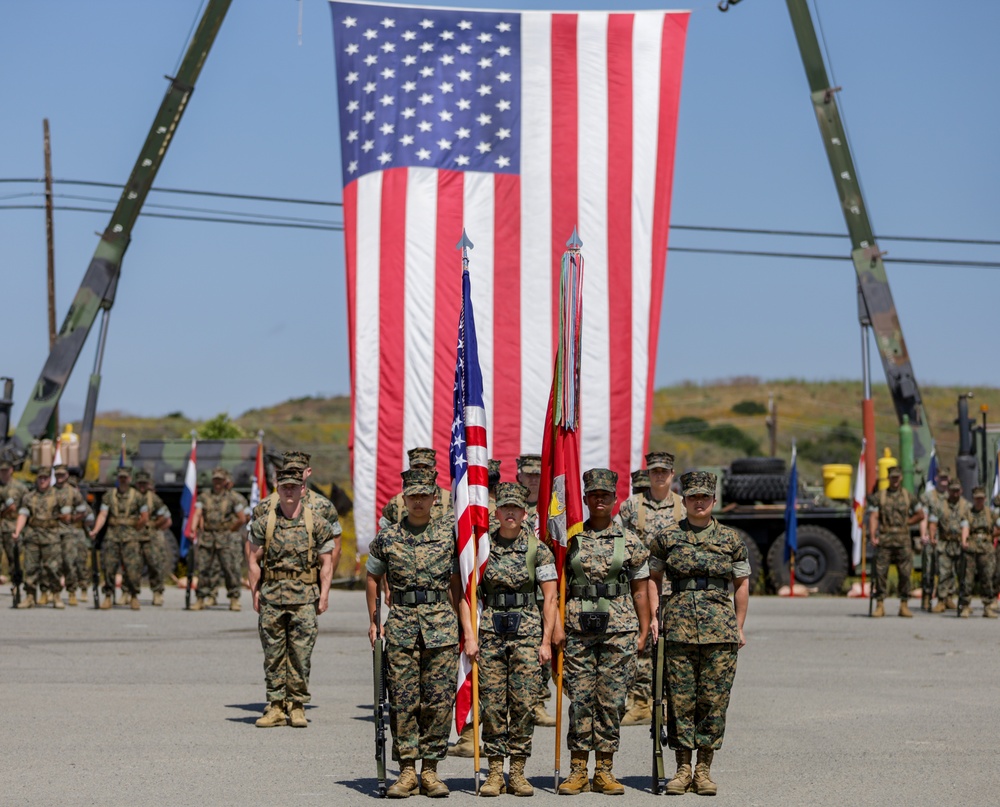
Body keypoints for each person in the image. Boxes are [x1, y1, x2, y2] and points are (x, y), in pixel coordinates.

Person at [648, 471, 750, 797]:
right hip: (678, 629)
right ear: (685, 499)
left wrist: (739, 625)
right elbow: (653, 578)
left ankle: (704, 770)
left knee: (714, 700)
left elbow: (742, 584)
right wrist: (653, 617)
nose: (699, 502)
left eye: (705, 497)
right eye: (693, 497)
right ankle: (682, 768)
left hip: (720, 630)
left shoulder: (731, 540)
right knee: (679, 701)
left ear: (714, 500)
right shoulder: (667, 538)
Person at [366, 467, 465, 798]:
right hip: (402, 627)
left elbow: (457, 586)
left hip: (441, 628)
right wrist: (374, 620)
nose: (418, 501)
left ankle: (431, 772)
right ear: (403, 499)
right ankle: (407, 770)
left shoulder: (449, 538)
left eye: (424, 495)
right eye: (413, 496)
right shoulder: (387, 538)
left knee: (438, 703)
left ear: (435, 499)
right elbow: (372, 578)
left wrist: (465, 627)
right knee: (403, 702)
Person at [463, 482, 560, 797]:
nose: (509, 513)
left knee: (522, 704)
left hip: (527, 635)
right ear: (497, 510)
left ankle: (517, 771)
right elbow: (468, 593)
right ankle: (493, 773)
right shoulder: (482, 548)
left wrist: (546, 642)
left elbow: (549, 598)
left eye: (515, 508)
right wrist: (470, 635)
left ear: (524, 512)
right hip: (490, 634)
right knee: (491, 704)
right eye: (504, 507)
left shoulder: (537, 548)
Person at [558, 468, 650, 796]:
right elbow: (556, 587)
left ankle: (604, 770)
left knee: (611, 701)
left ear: (614, 499)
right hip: (578, 629)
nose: (599, 499)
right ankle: (578, 770)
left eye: (606, 495)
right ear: (584, 499)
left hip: (619, 630)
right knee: (580, 700)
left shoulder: (630, 540)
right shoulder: (569, 539)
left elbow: (640, 588)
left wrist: (643, 628)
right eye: (594, 494)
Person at [248, 464, 339, 728]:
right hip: (272, 599)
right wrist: (255, 592)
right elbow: (253, 560)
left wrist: (324, 595)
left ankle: (297, 706)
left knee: (301, 654)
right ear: (278, 488)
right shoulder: (265, 522)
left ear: (302, 489)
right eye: (284, 486)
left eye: (293, 486)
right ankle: (276, 706)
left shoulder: (317, 523)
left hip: (304, 600)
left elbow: (327, 563)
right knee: (273, 655)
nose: (289, 491)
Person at [616, 451, 685, 726]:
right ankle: (640, 703)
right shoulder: (631, 506)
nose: (659, 475)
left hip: (675, 589)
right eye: (654, 471)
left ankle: (668, 704)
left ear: (671, 474)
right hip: (641, 588)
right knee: (640, 645)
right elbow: (618, 542)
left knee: (673, 649)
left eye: (664, 471)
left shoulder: (684, 505)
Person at [517, 453, 558, 729]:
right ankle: (520, 702)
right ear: (518, 475)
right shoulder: (510, 506)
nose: (532, 479)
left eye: (536, 475)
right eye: (528, 474)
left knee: (544, 647)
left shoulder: (550, 510)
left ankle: (540, 701)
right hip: (516, 586)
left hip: (543, 589)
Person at [90, 466, 149, 610]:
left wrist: (135, 529)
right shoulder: (109, 496)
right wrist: (96, 530)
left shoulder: (138, 497)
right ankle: (109, 596)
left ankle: (133, 596)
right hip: (112, 536)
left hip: (130, 537)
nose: (123, 480)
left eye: (125, 478)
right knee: (109, 567)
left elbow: (144, 517)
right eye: (121, 477)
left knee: (132, 569)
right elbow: (103, 514)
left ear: (130, 479)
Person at [868, 466, 923, 618]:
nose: (895, 480)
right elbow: (873, 516)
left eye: (897, 477)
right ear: (889, 478)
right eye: (892, 477)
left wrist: (907, 523)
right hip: (885, 538)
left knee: (905, 573)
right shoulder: (880, 496)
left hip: (903, 539)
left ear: (901, 478)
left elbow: (920, 514)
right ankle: (880, 604)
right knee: (880, 573)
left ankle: (904, 605)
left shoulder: (908, 496)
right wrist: (873, 534)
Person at [190, 468, 244, 611]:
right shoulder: (204, 496)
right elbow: (197, 513)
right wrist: (193, 528)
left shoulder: (232, 498)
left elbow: (241, 518)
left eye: (220, 480)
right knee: (203, 569)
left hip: (224, 538)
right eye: (215, 480)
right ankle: (200, 598)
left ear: (225, 481)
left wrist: (230, 529)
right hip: (207, 537)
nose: (217, 483)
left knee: (229, 569)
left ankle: (234, 599)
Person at [12, 467, 63, 609]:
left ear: (49, 479)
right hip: (32, 536)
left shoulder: (57, 496)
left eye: (45, 478)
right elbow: (23, 514)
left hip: (51, 537)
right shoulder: (29, 497)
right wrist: (17, 531)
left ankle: (56, 595)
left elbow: (67, 516)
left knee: (52, 568)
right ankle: (29, 596)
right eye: (40, 478)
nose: (42, 481)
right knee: (30, 567)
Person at [379, 447, 453, 528]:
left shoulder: (451, 501)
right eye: (417, 467)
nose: (421, 471)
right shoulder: (396, 503)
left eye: (426, 467)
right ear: (410, 469)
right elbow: (384, 536)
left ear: (434, 469)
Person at [926, 479, 969, 613]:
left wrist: (965, 541)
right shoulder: (940, 505)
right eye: (953, 490)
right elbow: (933, 522)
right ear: (948, 490)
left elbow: (968, 524)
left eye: (957, 490)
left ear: (960, 490)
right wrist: (932, 536)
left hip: (960, 544)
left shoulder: (966, 505)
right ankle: (941, 600)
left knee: (962, 574)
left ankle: (961, 602)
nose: (955, 493)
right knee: (944, 573)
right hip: (945, 543)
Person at [958, 487, 998, 618]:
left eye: (981, 498)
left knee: (987, 578)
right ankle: (965, 606)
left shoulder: (990, 513)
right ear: (973, 499)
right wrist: (964, 541)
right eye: (977, 498)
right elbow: (965, 527)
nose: (979, 501)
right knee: (967, 579)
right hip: (971, 549)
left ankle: (988, 606)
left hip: (986, 550)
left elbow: (997, 526)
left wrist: (992, 536)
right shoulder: (968, 513)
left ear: (985, 499)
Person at [135, 470, 172, 607]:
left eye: (145, 483)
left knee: (155, 565)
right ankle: (128, 592)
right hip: (134, 536)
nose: (142, 486)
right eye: (140, 483)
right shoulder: (131, 496)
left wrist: (154, 525)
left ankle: (157, 593)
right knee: (131, 566)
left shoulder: (154, 499)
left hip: (150, 537)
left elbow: (166, 518)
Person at [1, 459, 29, 597]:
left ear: (11, 470)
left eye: (6, 470)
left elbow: (27, 507)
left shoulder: (20, 488)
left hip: (12, 526)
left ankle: (16, 584)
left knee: (14, 557)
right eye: (1, 471)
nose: (3, 473)